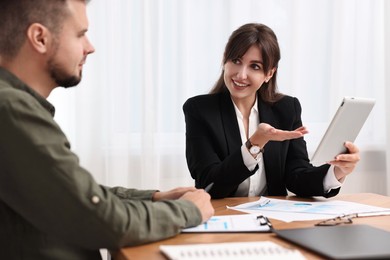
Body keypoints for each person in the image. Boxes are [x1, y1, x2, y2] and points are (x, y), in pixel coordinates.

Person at [0, 0, 214, 259]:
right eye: (80, 34)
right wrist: (188, 211)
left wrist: (155, 198)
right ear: (40, 38)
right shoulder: (11, 108)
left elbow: (77, 196)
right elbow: (100, 218)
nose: (89, 48)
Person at [183, 23, 360, 199]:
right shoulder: (199, 110)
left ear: (269, 74)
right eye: (236, 61)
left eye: (255, 66)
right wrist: (255, 144)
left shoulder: (286, 108)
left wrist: (337, 172)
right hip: (223, 217)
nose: (241, 75)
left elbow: (296, 176)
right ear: (224, 60)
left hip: (272, 217)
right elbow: (209, 184)